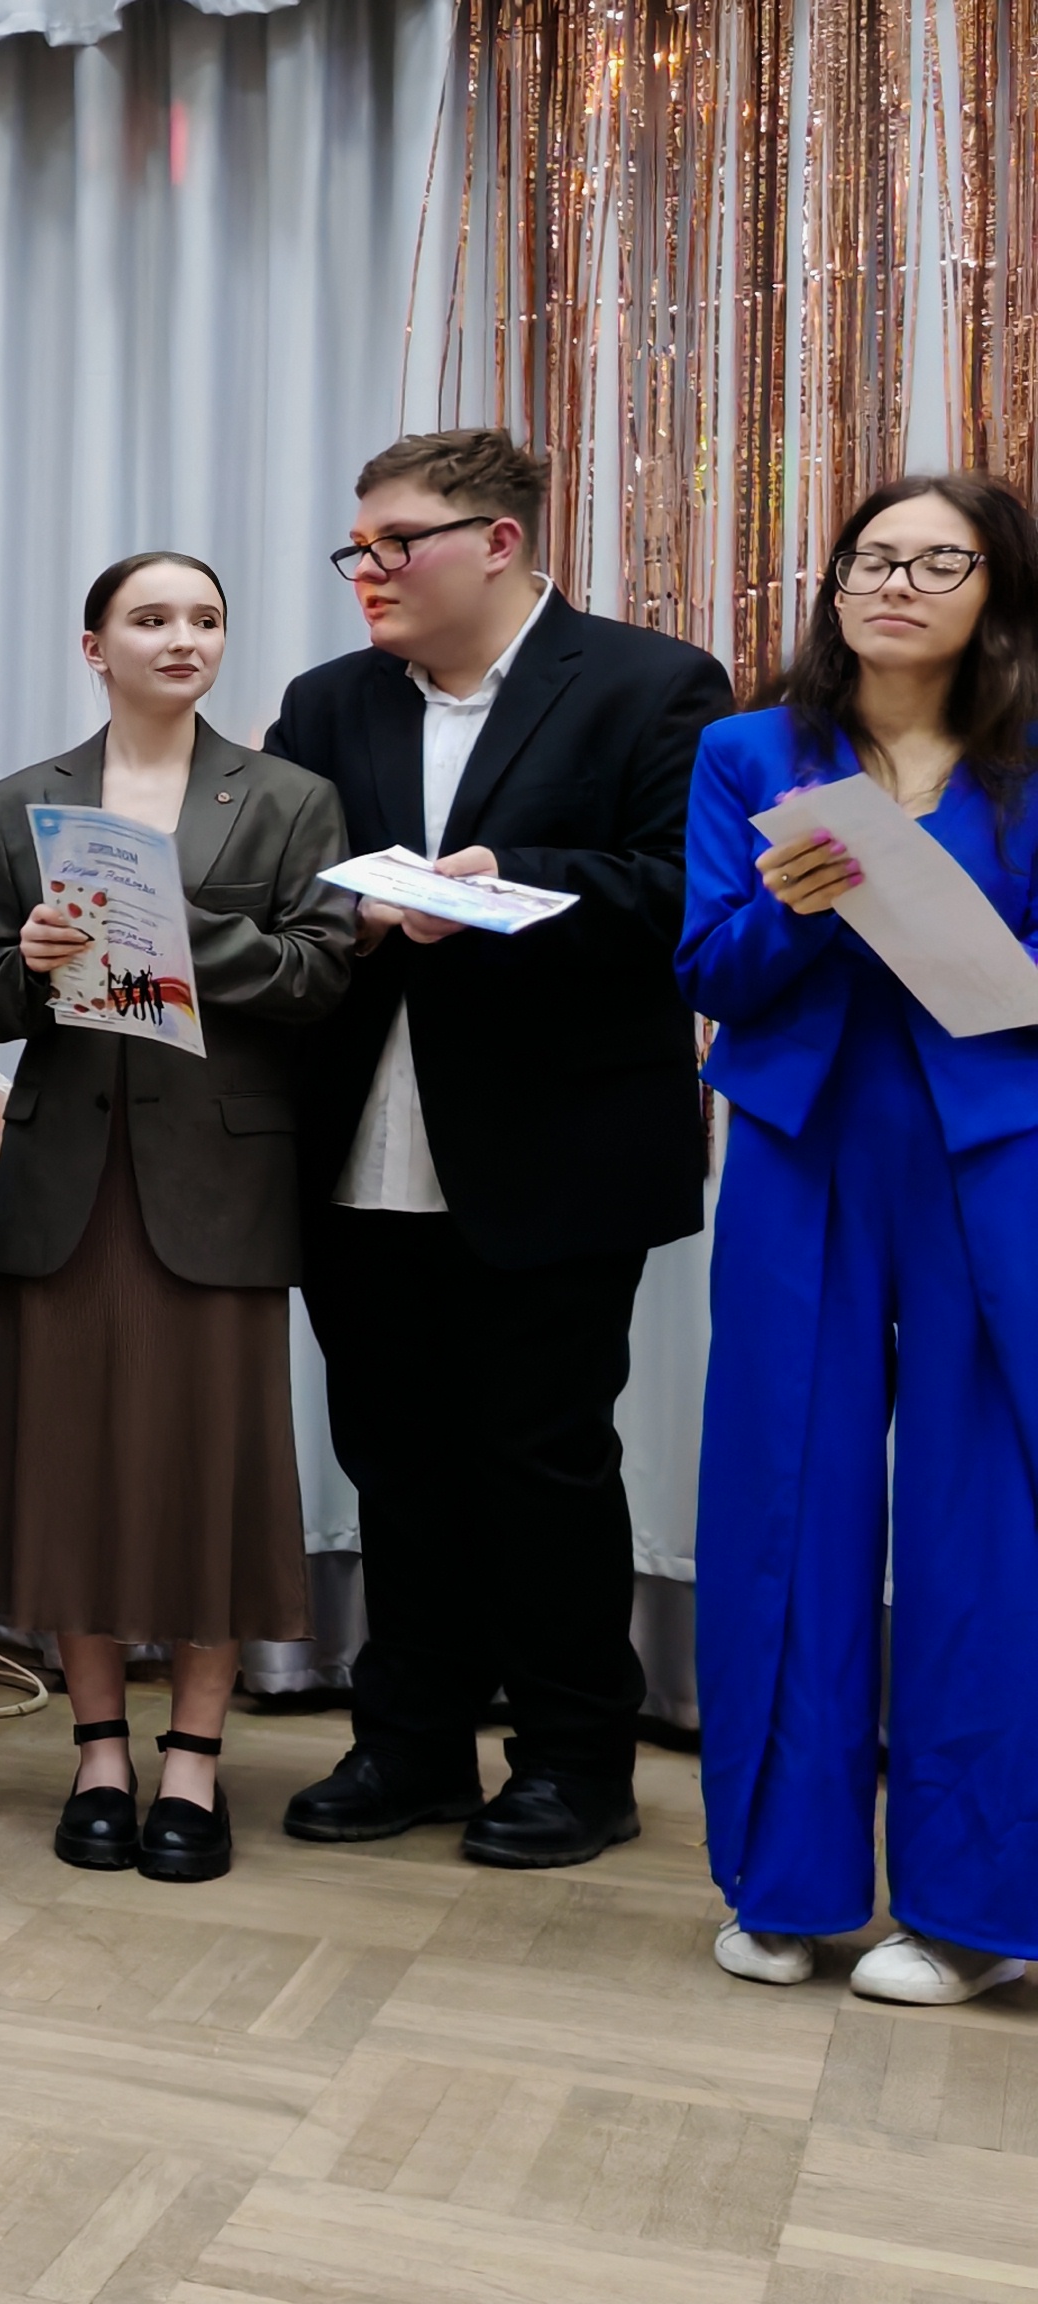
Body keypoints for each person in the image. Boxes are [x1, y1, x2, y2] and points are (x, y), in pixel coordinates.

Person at [267, 429, 734, 1869]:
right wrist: (351, 913)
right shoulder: (327, 701)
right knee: (391, 1460)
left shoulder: (653, 684)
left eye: (396, 544)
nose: (367, 572)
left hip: (556, 1148)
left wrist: (506, 880)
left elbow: (682, 892)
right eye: (356, 549)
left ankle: (577, 1762)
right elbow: (278, 890)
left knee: (545, 1462)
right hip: (357, 1145)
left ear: (501, 542)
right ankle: (408, 1743)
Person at [684, 472, 1038, 2005]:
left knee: (985, 1525)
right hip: (803, 1148)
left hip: (995, 1149)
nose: (894, 582)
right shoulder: (751, 752)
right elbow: (713, 970)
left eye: (936, 561)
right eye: (870, 559)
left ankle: (971, 1912)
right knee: (784, 1500)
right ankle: (787, 1885)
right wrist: (795, 908)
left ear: (997, 591)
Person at [0, 552, 359, 1885]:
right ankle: (97, 1751)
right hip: (66, 1176)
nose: (182, 638)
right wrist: (28, 964)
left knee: (213, 1472)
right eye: (151, 619)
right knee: (66, 1468)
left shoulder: (289, 798)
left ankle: (193, 1757)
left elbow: (321, 977)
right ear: (96, 648)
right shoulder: (19, 803)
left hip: (220, 1181)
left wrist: (176, 930)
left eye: (204, 619)